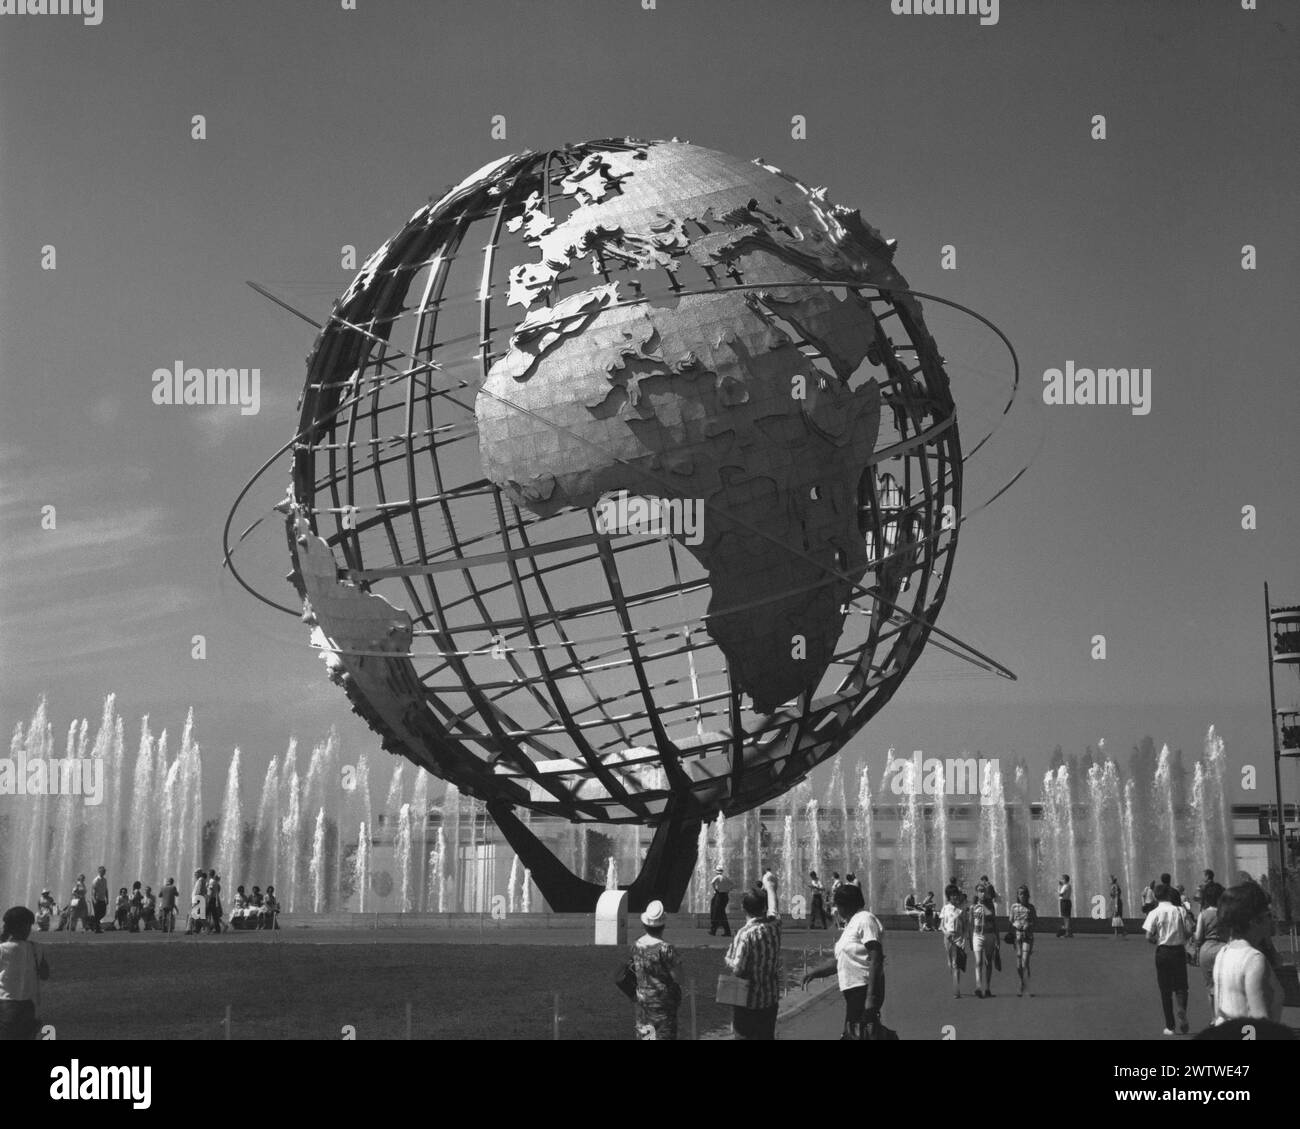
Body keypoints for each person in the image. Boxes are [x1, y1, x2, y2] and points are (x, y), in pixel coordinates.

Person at [802, 883, 887, 1037]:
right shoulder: (851, 924)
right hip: (853, 991)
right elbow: (841, 960)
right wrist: (816, 972)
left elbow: (876, 958)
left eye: (837, 905)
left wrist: (871, 997)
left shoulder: (865, 919)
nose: (836, 909)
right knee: (857, 1033)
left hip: (863, 988)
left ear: (846, 905)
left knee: (856, 1033)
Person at [1212, 883, 1285, 1025]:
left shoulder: (1224, 952)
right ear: (1254, 921)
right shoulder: (1253, 959)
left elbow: (1218, 1010)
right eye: (1268, 915)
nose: (1272, 920)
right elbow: (1258, 1019)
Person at [725, 870, 782, 1040]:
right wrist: (770, 886)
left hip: (748, 1002)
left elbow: (738, 969)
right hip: (770, 999)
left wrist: (728, 958)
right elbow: (774, 909)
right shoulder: (774, 926)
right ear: (763, 907)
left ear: (743, 908)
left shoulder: (745, 934)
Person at [1142, 882, 1196, 1035]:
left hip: (1163, 952)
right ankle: (1182, 1010)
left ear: (1156, 897)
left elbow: (1148, 936)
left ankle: (1170, 1026)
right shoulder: (1179, 910)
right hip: (1178, 951)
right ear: (1168, 895)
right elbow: (1189, 930)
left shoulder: (1154, 912)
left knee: (1165, 990)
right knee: (1181, 986)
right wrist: (1183, 937)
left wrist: (1157, 941)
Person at [626, 900, 682, 1040]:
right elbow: (679, 977)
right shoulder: (666, 949)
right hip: (663, 1003)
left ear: (645, 924)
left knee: (646, 1038)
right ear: (663, 925)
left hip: (643, 1001)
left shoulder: (637, 945)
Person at [0, 906, 50, 1040]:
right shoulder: (36, 948)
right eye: (27, 925)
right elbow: (45, 975)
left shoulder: (2, 949)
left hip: (6, 1004)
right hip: (28, 1006)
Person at [1192, 881, 1227, 1012]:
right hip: (1224, 950)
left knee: (1211, 986)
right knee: (1225, 985)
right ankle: (1225, 1014)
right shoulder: (1225, 913)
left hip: (1206, 950)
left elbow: (1198, 936)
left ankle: (1214, 1018)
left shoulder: (1204, 914)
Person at [939, 888, 971, 998]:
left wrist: (964, 937)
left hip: (958, 937)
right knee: (950, 964)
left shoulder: (961, 909)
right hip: (948, 937)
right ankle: (955, 983)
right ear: (949, 896)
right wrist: (945, 932)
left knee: (956, 964)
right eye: (952, 895)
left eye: (956, 895)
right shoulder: (945, 908)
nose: (955, 897)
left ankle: (956, 990)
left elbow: (966, 924)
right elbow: (942, 925)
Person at [971, 891, 1000, 998]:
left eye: (983, 891)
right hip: (977, 936)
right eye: (979, 891)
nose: (982, 893)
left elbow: (995, 922)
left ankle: (987, 988)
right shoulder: (973, 907)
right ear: (977, 893)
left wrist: (998, 939)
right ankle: (978, 987)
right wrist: (970, 939)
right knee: (978, 962)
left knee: (988, 962)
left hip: (989, 935)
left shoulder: (990, 907)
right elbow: (971, 923)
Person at [1009, 885, 1037, 997]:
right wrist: (1015, 924)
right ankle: (1021, 981)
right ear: (1017, 895)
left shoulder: (1031, 907)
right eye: (1020, 894)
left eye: (1025, 894)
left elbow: (1035, 921)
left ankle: (1027, 987)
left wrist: (1028, 924)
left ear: (1028, 895)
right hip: (1017, 937)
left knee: (1025, 962)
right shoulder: (1014, 907)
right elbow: (1010, 920)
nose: (1023, 896)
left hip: (1028, 937)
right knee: (1019, 963)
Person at [708, 867, 733, 937]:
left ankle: (715, 930)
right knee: (720, 913)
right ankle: (716, 930)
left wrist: (715, 889)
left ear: (717, 871)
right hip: (725, 896)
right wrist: (728, 890)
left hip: (719, 895)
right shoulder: (725, 877)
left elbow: (712, 882)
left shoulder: (717, 877)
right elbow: (732, 884)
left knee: (717, 913)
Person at [187, 869, 207, 936]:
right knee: (197, 916)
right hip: (197, 899)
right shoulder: (200, 880)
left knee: (192, 915)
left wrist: (196, 900)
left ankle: (189, 930)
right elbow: (204, 890)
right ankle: (207, 927)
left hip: (197, 899)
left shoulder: (201, 880)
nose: (194, 875)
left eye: (196, 873)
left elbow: (199, 890)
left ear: (199, 873)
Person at [90, 866, 108, 934]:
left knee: (103, 913)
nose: (104, 872)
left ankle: (93, 923)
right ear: (99, 871)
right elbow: (93, 890)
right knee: (97, 914)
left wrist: (107, 898)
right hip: (96, 899)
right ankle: (97, 929)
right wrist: (94, 899)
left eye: (104, 871)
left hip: (102, 899)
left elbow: (106, 889)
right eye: (103, 871)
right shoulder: (96, 880)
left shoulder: (104, 880)